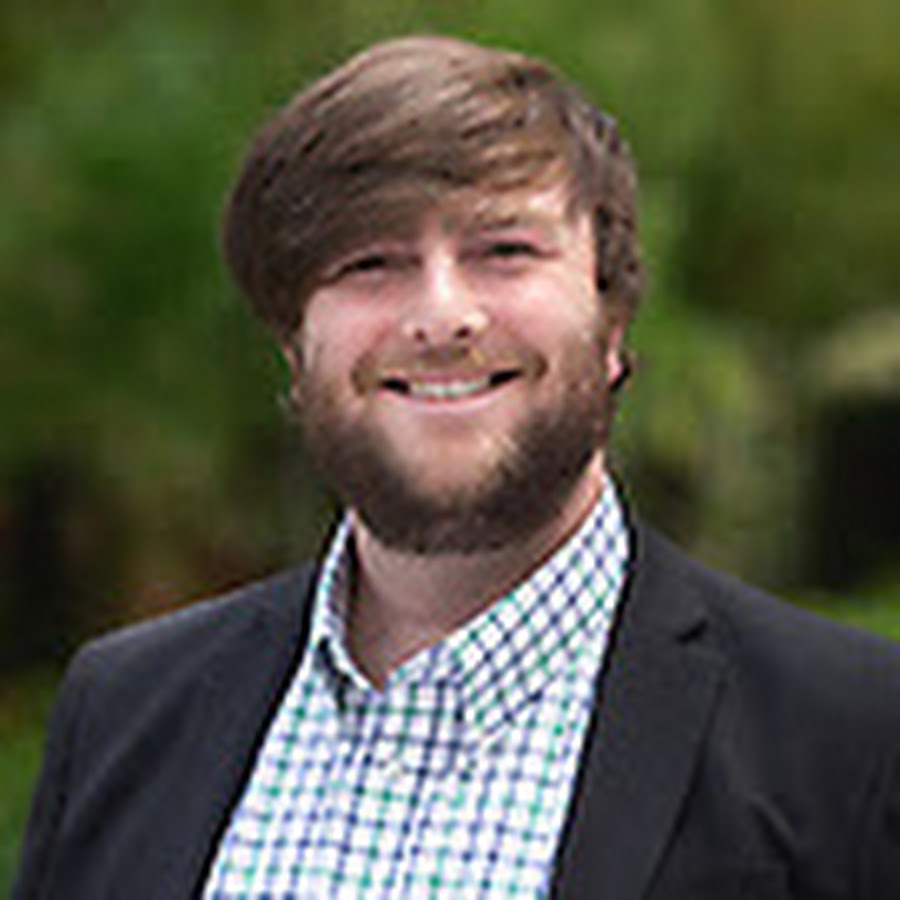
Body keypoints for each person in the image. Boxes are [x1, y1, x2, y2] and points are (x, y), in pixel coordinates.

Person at [14, 35, 900, 900]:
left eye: (504, 250)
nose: (441, 316)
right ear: (295, 346)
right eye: (371, 262)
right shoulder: (122, 712)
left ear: (613, 321)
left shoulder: (853, 737)